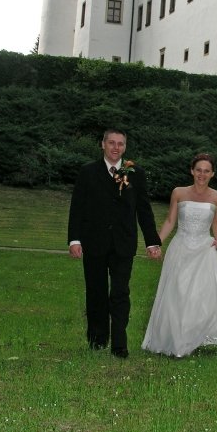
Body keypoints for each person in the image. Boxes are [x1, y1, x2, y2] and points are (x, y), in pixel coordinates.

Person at [142, 153, 217, 357]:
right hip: (180, 248)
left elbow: (216, 222)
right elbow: (170, 221)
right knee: (177, 294)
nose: (202, 174)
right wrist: (156, 243)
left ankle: (191, 337)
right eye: (198, 170)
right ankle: (177, 341)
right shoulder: (178, 192)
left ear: (212, 174)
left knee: (198, 296)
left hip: (203, 250)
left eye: (206, 171)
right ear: (192, 171)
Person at [68, 128, 161, 358]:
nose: (115, 147)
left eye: (120, 144)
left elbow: (144, 209)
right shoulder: (88, 172)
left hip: (123, 244)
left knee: (120, 293)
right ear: (103, 144)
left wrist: (152, 241)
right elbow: (77, 208)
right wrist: (74, 239)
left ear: (125, 147)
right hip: (94, 242)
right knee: (96, 292)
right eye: (111, 143)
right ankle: (97, 339)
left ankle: (120, 344)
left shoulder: (135, 173)